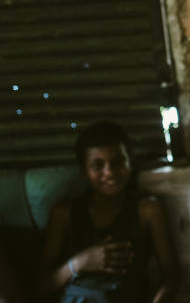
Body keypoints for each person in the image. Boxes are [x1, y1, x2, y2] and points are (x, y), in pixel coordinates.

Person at [39, 121, 179, 303]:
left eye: (118, 162)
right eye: (98, 166)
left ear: (130, 163)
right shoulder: (64, 213)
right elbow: (40, 286)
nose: (110, 172)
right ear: (84, 172)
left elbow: (172, 276)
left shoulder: (147, 209)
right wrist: (79, 263)